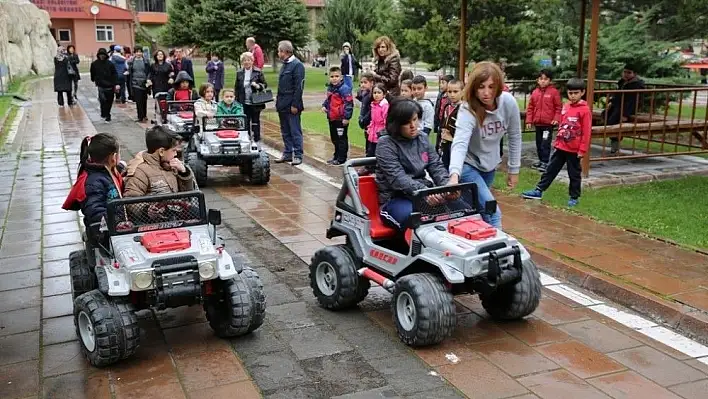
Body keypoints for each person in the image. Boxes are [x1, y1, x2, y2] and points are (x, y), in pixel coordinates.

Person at [447, 61, 522, 229]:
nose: (486, 93)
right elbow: (460, 142)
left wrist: (514, 169)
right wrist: (454, 175)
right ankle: (499, 249)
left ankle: (478, 246)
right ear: (474, 87)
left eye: (491, 87)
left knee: (478, 211)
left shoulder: (508, 103)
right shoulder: (467, 108)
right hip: (469, 165)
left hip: (489, 165)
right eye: (481, 87)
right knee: (492, 210)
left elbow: (515, 136)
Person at [376, 99, 451, 230]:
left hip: (422, 193)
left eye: (415, 119)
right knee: (416, 220)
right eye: (407, 122)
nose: (413, 125)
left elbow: (436, 166)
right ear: (396, 124)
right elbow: (398, 179)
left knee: (462, 210)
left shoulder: (422, 138)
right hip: (395, 199)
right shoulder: (385, 144)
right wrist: (426, 193)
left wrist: (447, 187)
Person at [522, 78, 591, 207]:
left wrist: (582, 150)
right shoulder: (566, 106)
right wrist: (557, 142)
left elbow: (586, 132)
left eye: (576, 93)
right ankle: (539, 190)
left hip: (574, 150)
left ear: (582, 92)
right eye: (570, 93)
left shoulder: (585, 110)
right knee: (550, 170)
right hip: (560, 147)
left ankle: (574, 197)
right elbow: (562, 125)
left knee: (574, 174)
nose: (573, 96)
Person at [62, 133, 123, 228]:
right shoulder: (93, 183)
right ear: (113, 157)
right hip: (104, 233)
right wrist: (117, 221)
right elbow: (95, 213)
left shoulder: (108, 171)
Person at [124, 125, 195, 198]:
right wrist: (152, 208)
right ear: (161, 151)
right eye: (173, 150)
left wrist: (184, 173)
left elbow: (189, 196)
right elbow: (131, 201)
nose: (176, 154)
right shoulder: (140, 172)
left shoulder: (173, 167)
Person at [602, 63, 645, 154]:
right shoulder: (622, 82)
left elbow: (633, 101)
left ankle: (615, 143)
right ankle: (615, 140)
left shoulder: (636, 85)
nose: (626, 74)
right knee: (605, 115)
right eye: (624, 72)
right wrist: (612, 102)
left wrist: (625, 114)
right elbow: (618, 95)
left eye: (629, 73)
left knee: (613, 121)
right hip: (618, 105)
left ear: (634, 74)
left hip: (627, 108)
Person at [274, 40, 305, 165]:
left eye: (279, 51)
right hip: (282, 103)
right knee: (285, 130)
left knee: (294, 130)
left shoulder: (297, 65)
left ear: (284, 51)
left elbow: (299, 86)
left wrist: (295, 104)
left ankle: (298, 154)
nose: (278, 53)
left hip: (291, 103)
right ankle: (287, 153)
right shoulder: (285, 65)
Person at [525, 69, 562, 171]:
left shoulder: (554, 92)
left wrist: (556, 119)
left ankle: (545, 162)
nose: (543, 81)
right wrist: (529, 121)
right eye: (541, 79)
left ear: (549, 80)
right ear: (537, 80)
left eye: (545, 79)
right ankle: (541, 160)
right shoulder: (535, 93)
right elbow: (530, 107)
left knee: (545, 143)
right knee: (538, 143)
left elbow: (558, 107)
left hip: (548, 124)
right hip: (538, 124)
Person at [322, 66, 354, 165]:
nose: (334, 78)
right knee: (334, 138)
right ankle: (336, 155)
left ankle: (342, 158)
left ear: (341, 77)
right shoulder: (330, 88)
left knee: (341, 139)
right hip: (332, 118)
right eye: (332, 76)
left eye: (336, 76)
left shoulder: (344, 89)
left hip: (340, 119)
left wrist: (346, 117)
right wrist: (324, 105)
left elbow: (349, 103)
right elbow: (329, 100)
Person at [235, 51, 268, 143]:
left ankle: (257, 139)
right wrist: (236, 101)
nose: (246, 62)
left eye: (248, 60)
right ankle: (247, 137)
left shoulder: (258, 72)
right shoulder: (239, 73)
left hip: (255, 101)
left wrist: (258, 86)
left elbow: (265, 84)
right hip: (243, 101)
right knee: (245, 120)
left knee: (255, 120)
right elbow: (237, 88)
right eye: (244, 60)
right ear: (242, 62)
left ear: (252, 61)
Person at [439, 79, 464, 168]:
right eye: (449, 91)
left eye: (455, 91)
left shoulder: (464, 109)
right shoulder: (447, 107)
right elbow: (442, 125)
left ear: (462, 92)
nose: (452, 94)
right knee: (444, 166)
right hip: (445, 144)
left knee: (454, 167)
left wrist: (452, 138)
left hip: (456, 145)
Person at [90, 48, 119, 122]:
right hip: (101, 85)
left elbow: (114, 74)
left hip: (110, 85)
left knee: (109, 101)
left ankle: (107, 114)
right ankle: (104, 113)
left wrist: (116, 83)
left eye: (103, 55)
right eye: (100, 55)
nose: (102, 56)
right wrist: (94, 79)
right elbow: (92, 73)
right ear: (98, 55)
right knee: (102, 100)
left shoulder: (110, 64)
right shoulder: (94, 64)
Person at [364, 83, 389, 164]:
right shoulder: (373, 105)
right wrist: (369, 128)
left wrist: (384, 133)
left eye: (379, 93)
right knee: (370, 150)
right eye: (375, 93)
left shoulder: (384, 106)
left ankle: (375, 168)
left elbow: (386, 120)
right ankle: (369, 167)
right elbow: (373, 119)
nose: (376, 95)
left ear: (384, 94)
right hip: (373, 131)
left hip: (380, 132)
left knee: (378, 152)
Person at [128, 47, 151, 123]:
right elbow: (130, 71)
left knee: (144, 100)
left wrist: (148, 79)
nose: (139, 53)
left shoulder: (146, 61)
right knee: (138, 100)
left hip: (144, 83)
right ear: (134, 53)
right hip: (135, 83)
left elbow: (149, 72)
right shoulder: (131, 61)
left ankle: (144, 115)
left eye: (140, 52)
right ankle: (140, 116)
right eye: (137, 52)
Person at [357, 72, 375, 155]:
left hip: (369, 124)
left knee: (370, 145)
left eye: (365, 82)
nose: (362, 85)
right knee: (367, 142)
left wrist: (364, 120)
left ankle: (369, 165)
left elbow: (371, 111)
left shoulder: (372, 96)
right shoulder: (365, 94)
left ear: (371, 83)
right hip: (365, 123)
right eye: (361, 82)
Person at [434, 74, 455, 146]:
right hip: (440, 123)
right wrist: (436, 124)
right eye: (440, 83)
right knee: (438, 142)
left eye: (443, 83)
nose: (441, 85)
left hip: (447, 124)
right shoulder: (440, 95)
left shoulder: (451, 98)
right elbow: (437, 109)